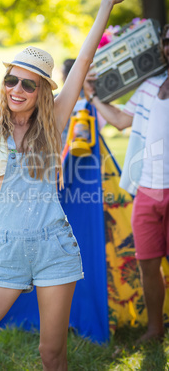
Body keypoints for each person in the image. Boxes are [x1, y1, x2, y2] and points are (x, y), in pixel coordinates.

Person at [0, 0, 128, 370]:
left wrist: (104, 5)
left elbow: (84, 60)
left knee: (51, 354)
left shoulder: (53, 123)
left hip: (55, 246)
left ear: (42, 91)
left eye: (28, 84)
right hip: (7, 251)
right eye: (11, 80)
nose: (16, 90)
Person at [83, 23, 169, 343]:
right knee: (147, 262)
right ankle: (155, 329)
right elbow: (120, 121)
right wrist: (91, 95)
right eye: (167, 41)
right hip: (146, 189)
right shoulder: (149, 86)